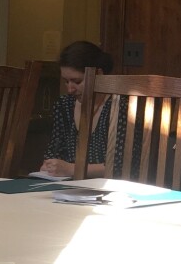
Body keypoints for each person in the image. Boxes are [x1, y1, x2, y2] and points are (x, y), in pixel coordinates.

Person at [39, 41, 127, 179]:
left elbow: (120, 166)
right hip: (66, 186)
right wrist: (49, 165)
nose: (70, 89)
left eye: (77, 81)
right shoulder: (64, 105)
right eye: (66, 81)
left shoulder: (120, 107)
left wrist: (71, 169)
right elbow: (53, 152)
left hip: (107, 188)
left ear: (98, 74)